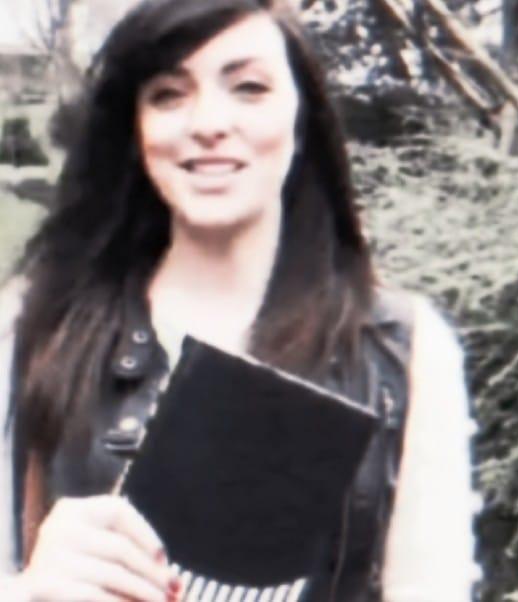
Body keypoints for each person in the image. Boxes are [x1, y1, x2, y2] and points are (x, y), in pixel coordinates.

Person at [0, 0, 481, 600]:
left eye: (249, 88)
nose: (208, 122)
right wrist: (29, 591)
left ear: (301, 118)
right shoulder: (33, 326)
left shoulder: (404, 348)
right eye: (168, 95)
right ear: (136, 130)